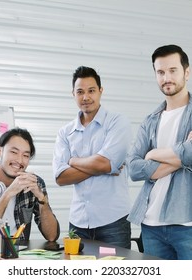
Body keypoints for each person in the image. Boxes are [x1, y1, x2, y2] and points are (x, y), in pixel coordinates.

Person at [127, 44, 192, 260]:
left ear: (187, 72)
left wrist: (152, 154)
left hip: (190, 222)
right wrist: (181, 155)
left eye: (172, 70)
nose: (166, 77)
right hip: (151, 224)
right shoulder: (150, 120)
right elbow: (132, 168)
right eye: (160, 72)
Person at [52, 66, 132, 249]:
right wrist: (100, 167)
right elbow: (61, 177)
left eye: (91, 91)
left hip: (113, 222)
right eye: (80, 92)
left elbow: (104, 163)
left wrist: (72, 161)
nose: (86, 97)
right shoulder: (65, 132)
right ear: (73, 94)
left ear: (101, 91)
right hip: (78, 223)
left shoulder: (117, 122)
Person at [0, 127, 60, 241]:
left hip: (19, 252)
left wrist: (41, 199)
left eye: (25, 155)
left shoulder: (35, 182)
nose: (20, 160)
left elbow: (52, 236)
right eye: (14, 152)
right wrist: (8, 193)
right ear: (0, 151)